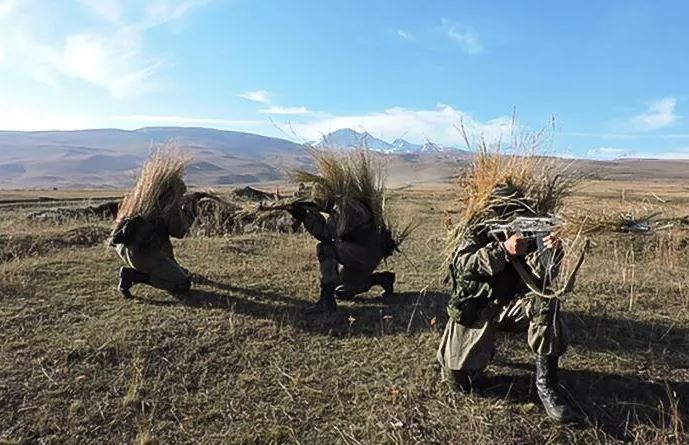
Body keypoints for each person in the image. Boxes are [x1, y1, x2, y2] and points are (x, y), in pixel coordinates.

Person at [438, 182, 572, 422]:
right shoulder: (475, 228)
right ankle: (479, 350)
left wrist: (551, 252)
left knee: (546, 303)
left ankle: (546, 385)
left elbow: (542, 277)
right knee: (458, 382)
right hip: (478, 309)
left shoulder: (532, 229)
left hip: (512, 307)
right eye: (504, 209)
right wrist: (503, 249)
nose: (509, 214)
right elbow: (463, 263)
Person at [289, 198, 396, 315]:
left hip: (363, 254)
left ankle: (326, 302)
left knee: (326, 249)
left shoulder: (345, 208)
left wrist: (305, 217)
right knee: (342, 291)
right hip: (368, 254)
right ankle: (382, 279)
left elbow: (325, 234)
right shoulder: (351, 202)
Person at [111, 170, 196, 299]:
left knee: (176, 269)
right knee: (183, 283)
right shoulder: (169, 206)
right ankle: (134, 276)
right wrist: (189, 212)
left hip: (123, 248)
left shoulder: (140, 199)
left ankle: (146, 271)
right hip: (142, 254)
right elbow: (179, 232)